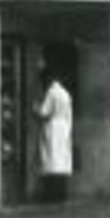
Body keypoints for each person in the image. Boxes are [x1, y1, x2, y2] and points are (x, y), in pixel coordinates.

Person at [35, 64, 74, 203]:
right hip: (64, 129)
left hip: (52, 129)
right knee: (61, 163)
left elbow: (45, 112)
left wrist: (35, 109)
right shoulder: (65, 94)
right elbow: (69, 115)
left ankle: (50, 196)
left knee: (50, 162)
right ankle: (62, 195)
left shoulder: (51, 93)